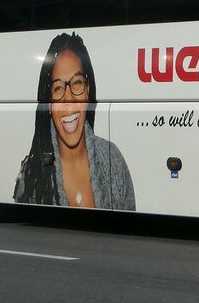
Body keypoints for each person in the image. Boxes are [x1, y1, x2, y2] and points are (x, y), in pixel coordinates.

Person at [13, 32, 135, 209]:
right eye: (58, 88)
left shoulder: (113, 159)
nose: (68, 99)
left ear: (88, 90)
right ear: (48, 104)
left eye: (76, 83)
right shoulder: (32, 176)